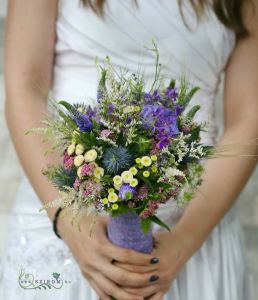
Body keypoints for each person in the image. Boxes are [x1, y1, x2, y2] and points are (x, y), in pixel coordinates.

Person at [1, 0, 258, 299]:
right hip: (66, 222)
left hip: (194, 232)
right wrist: (69, 222)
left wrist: (184, 241)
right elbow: (23, 87)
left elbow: (248, 118)